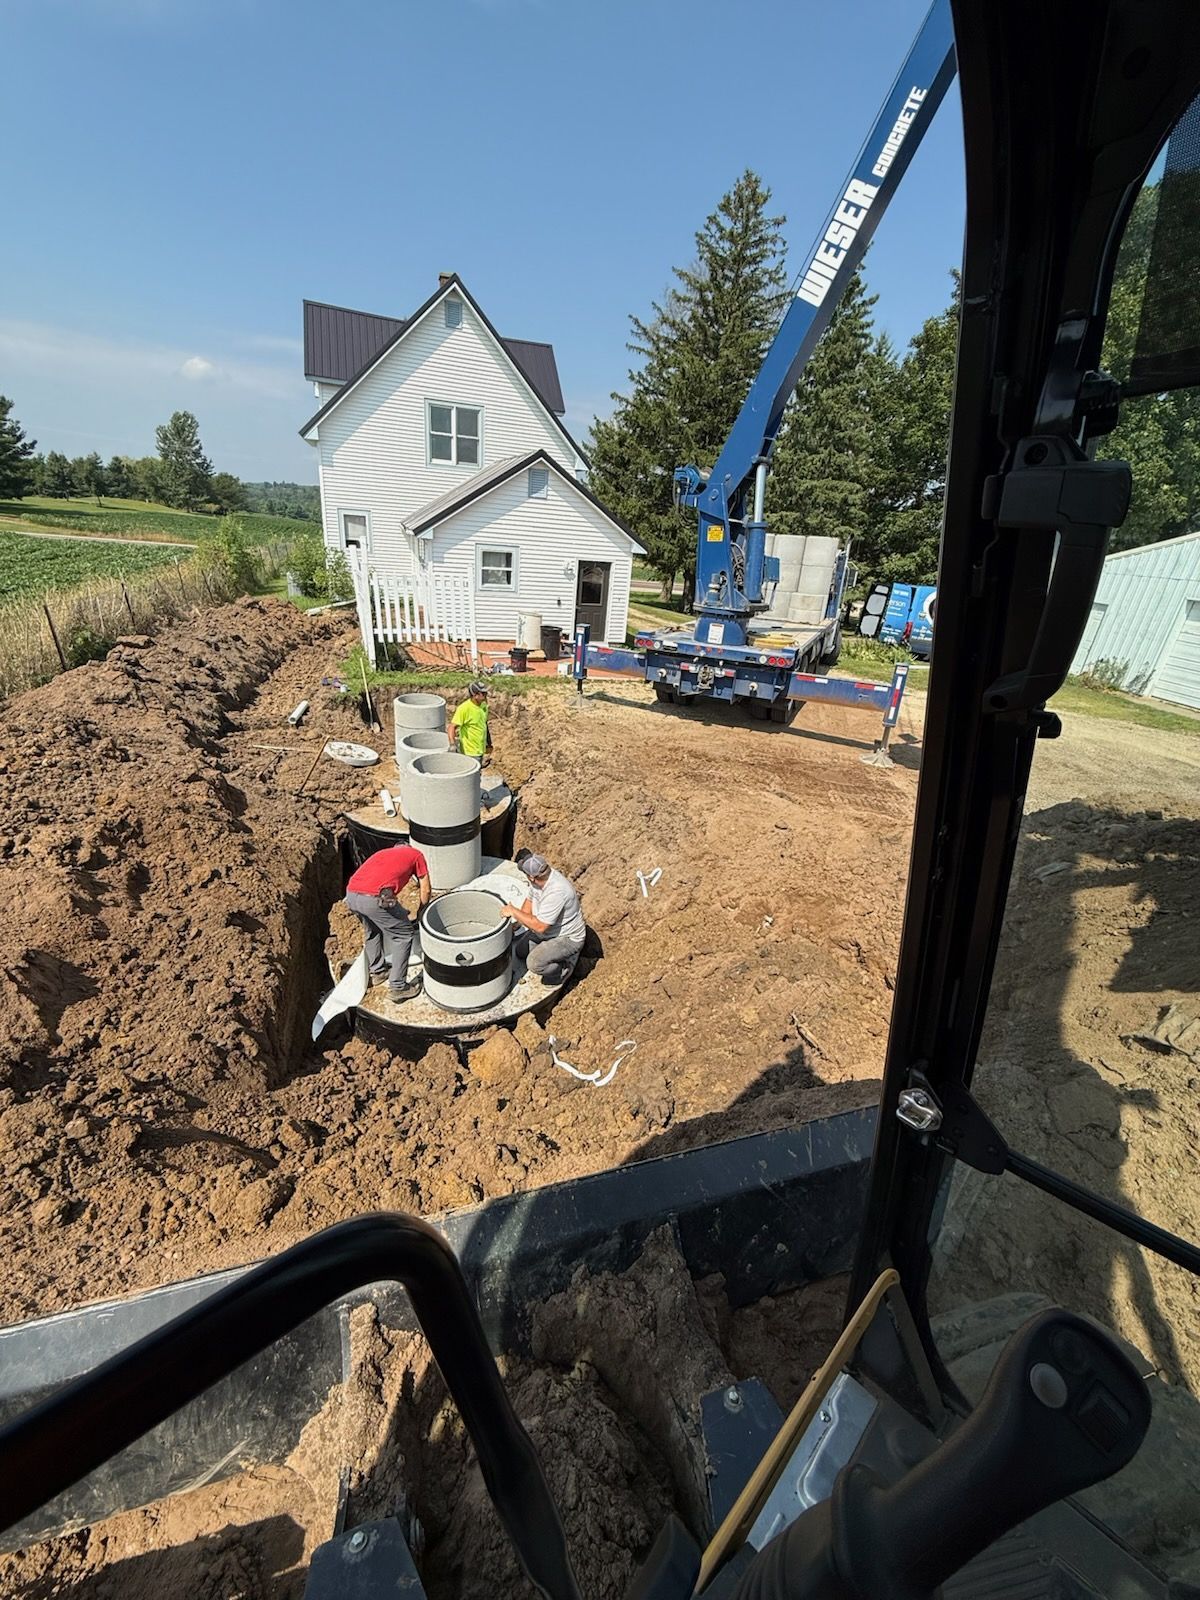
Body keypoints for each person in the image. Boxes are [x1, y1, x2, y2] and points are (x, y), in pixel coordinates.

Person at [344, 843, 430, 1002]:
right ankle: (398, 987)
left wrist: (398, 914)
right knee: (403, 935)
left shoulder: (384, 853)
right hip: (374, 899)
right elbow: (426, 889)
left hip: (351, 895)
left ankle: (378, 972)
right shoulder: (416, 855)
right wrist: (421, 912)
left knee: (373, 930)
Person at [502, 852, 586, 985]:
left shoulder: (557, 892)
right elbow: (530, 900)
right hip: (549, 932)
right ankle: (549, 953)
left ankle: (563, 970)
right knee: (520, 952)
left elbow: (540, 927)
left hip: (567, 938)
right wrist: (518, 922)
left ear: (531, 877)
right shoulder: (540, 880)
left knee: (534, 963)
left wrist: (514, 911)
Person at [450, 682, 492, 763]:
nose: (486, 695)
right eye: (483, 693)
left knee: (477, 773)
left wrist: (488, 743)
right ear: (475, 695)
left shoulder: (483, 706)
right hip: (469, 752)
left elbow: (484, 725)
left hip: (480, 750)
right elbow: (452, 727)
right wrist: (452, 744)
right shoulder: (464, 709)